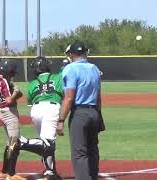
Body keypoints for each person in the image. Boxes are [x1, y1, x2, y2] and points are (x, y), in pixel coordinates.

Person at [57, 41, 105, 180]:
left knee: (79, 153)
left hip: (79, 113)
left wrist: (61, 120)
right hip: (94, 112)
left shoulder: (70, 69)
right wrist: (99, 115)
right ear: (85, 53)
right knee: (93, 150)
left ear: (71, 54)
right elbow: (99, 97)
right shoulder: (94, 68)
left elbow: (69, 98)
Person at [19, 56, 64, 180]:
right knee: (48, 143)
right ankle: (21, 142)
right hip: (51, 109)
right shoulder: (57, 77)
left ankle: (50, 171)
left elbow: (30, 102)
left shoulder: (32, 83)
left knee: (46, 142)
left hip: (36, 110)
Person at [0, 56, 25, 180]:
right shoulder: (5, 80)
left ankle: (4, 172)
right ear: (9, 71)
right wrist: (16, 92)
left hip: (2, 111)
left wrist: (16, 92)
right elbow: (9, 100)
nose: (13, 74)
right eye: (12, 71)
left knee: (9, 143)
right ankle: (11, 174)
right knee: (15, 143)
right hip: (9, 113)